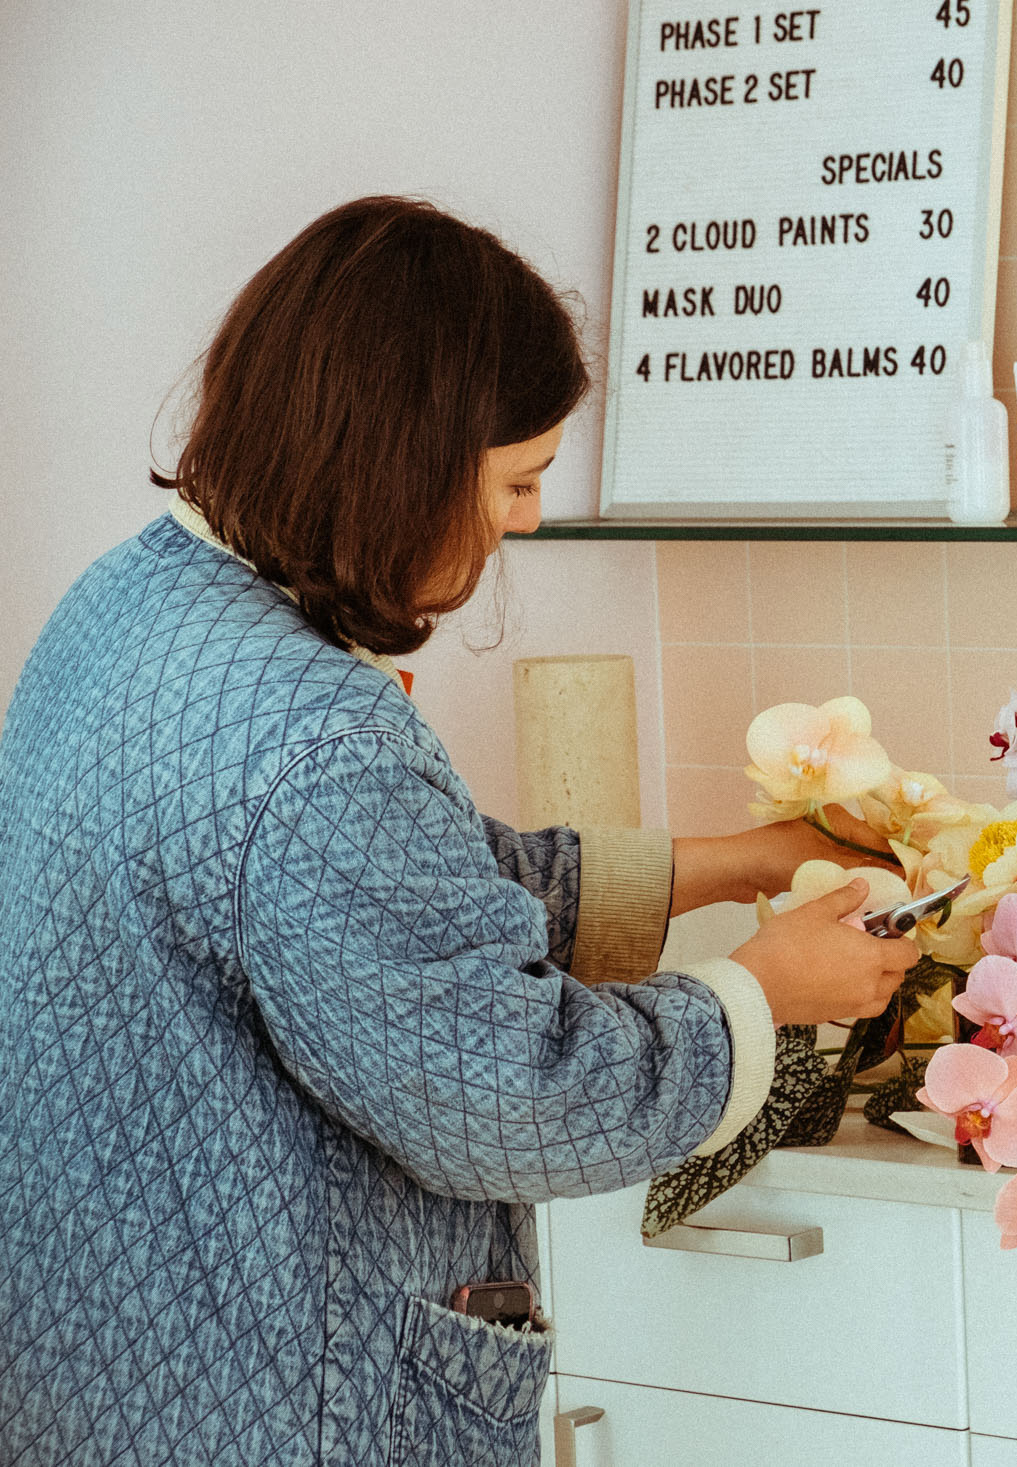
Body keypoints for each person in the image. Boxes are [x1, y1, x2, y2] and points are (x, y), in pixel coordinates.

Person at [0, 196, 918, 1465]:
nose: (527, 521)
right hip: (285, 1402)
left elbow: (386, 908)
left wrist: (731, 866)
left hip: (114, 1365)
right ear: (400, 459)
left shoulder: (128, 606)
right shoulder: (316, 734)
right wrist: (760, 995)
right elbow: (508, 1094)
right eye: (518, 482)